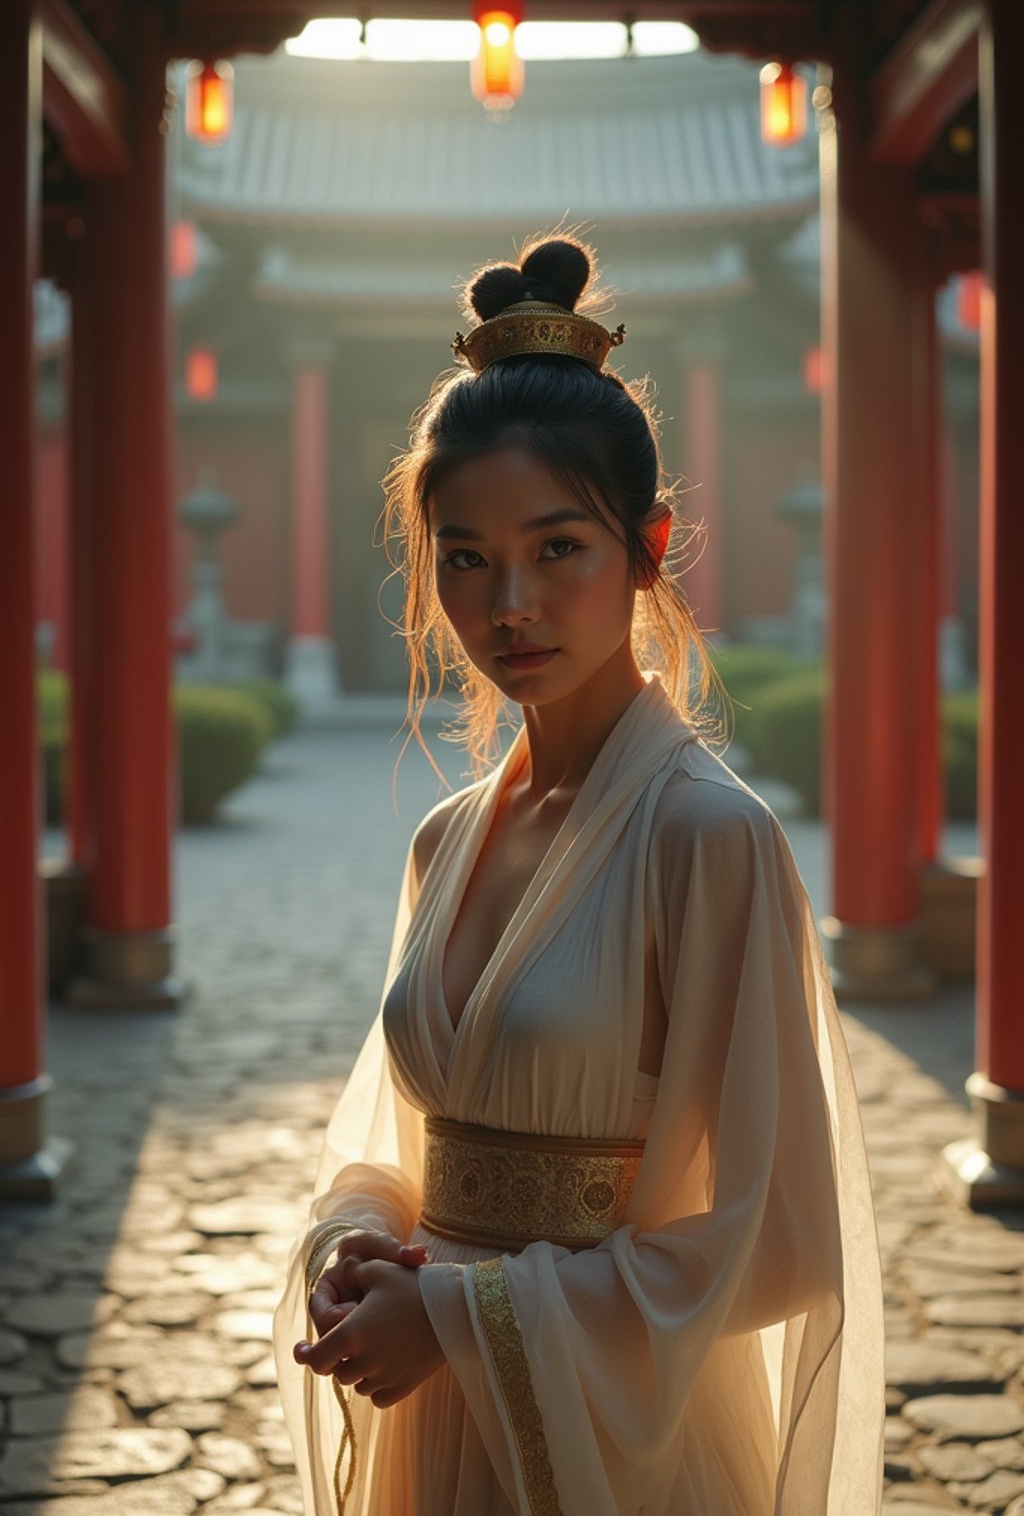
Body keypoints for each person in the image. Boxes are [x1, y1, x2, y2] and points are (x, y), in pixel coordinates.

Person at [272, 234, 885, 1516]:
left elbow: (777, 1244)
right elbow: (404, 1151)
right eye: (465, 556)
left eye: (559, 548)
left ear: (649, 546)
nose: (509, 606)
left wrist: (456, 1313)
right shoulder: (446, 841)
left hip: (614, 1441)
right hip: (434, 1417)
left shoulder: (709, 842)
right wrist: (353, 1252)